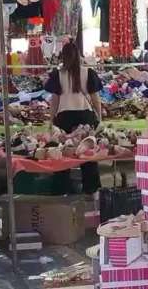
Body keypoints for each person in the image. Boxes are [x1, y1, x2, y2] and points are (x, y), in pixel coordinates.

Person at [45, 42, 103, 194]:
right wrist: (99, 117)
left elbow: (55, 100)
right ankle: (91, 189)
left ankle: (62, 189)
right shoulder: (88, 72)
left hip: (64, 117)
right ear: (78, 56)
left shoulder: (58, 75)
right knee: (88, 154)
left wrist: (51, 120)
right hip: (85, 116)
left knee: (62, 154)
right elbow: (96, 98)